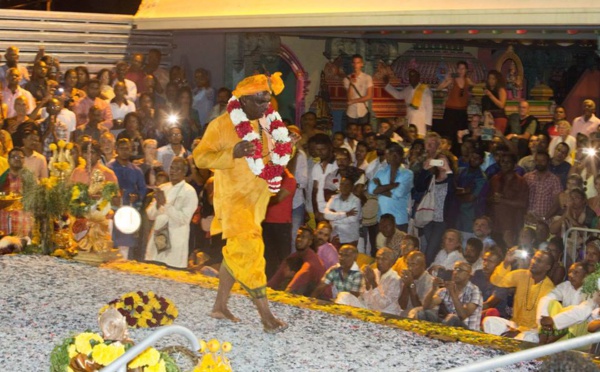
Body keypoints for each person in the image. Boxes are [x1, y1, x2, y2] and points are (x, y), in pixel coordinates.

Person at [193, 72, 289, 332]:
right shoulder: (221, 126)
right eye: (259, 101)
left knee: (236, 252)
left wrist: (287, 149)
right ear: (243, 101)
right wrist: (231, 153)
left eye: (267, 101)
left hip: (257, 201)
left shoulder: (266, 122)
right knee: (251, 252)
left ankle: (219, 305)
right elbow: (200, 158)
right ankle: (266, 316)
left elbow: (268, 160)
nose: (265, 107)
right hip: (234, 202)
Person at [482, 249, 555, 342]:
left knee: (526, 338)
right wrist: (506, 263)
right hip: (515, 325)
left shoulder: (549, 289)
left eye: (539, 261)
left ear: (547, 267)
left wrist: (519, 331)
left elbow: (541, 324)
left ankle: (505, 348)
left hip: (532, 331)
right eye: (534, 258)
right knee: (489, 321)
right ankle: (497, 349)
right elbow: (497, 281)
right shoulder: (522, 274)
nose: (534, 262)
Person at [145, 157, 198, 269]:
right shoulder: (163, 187)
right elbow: (150, 214)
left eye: (177, 169)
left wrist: (165, 204)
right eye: (172, 168)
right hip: (156, 242)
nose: (173, 171)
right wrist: (158, 205)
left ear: (184, 172)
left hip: (175, 244)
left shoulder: (189, 191)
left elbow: (184, 219)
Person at [412, 261, 482, 330]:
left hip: (468, 332)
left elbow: (463, 316)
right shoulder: (446, 289)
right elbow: (426, 306)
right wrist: (433, 289)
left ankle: (437, 336)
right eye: (455, 269)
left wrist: (452, 293)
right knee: (424, 313)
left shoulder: (474, 291)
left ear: (468, 275)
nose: (456, 272)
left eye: (460, 270)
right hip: (449, 327)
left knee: (453, 318)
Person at [108, 138, 147, 259]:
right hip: (111, 210)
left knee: (124, 247)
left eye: (128, 148)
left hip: (128, 212)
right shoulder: (109, 168)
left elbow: (142, 189)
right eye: (122, 148)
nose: (125, 151)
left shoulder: (136, 170)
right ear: (116, 150)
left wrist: (136, 197)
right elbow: (102, 187)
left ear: (131, 150)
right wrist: (112, 195)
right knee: (109, 242)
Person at [337, 247, 402, 315]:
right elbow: (364, 298)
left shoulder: (395, 279)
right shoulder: (373, 272)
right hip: (370, 308)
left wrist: (373, 283)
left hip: (386, 313)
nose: (379, 261)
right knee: (344, 295)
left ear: (392, 262)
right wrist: (367, 285)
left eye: (384, 259)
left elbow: (382, 304)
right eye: (378, 258)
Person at [537, 262, 589, 344]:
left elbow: (582, 313)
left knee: (574, 309)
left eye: (576, 272)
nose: (571, 275)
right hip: (559, 327)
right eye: (570, 272)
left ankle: (550, 338)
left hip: (581, 331)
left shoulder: (592, 290)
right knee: (552, 303)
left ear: (585, 276)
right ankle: (546, 333)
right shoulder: (566, 286)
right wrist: (544, 320)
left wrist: (553, 320)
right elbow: (546, 299)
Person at [268, 226, 327, 297]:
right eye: (298, 236)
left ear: (310, 242)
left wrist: (285, 295)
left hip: (322, 298)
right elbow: (276, 278)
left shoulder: (312, 260)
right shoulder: (294, 255)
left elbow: (300, 277)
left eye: (303, 237)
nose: (299, 239)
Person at [368, 142, 413, 232]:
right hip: (382, 218)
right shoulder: (381, 171)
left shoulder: (407, 174)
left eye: (389, 154)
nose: (386, 157)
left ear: (397, 155)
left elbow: (398, 193)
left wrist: (380, 188)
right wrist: (391, 186)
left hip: (399, 220)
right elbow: (371, 190)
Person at [488, 152, 529, 246]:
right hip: (494, 224)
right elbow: (487, 200)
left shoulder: (521, 181)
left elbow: (522, 203)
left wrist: (502, 200)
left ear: (514, 165)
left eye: (508, 162)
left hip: (511, 225)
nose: (505, 164)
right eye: (502, 161)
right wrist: (492, 199)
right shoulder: (494, 179)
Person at [263, 168, 296, 279]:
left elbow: (278, 199)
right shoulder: (271, 176)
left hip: (282, 224)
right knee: (268, 256)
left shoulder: (290, 179)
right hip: (267, 221)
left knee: (283, 258)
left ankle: (282, 283)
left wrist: (259, 200)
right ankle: (269, 282)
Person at [435, 61, 472, 155]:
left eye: (463, 68)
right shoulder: (452, 80)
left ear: (466, 70)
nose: (461, 71)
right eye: (459, 68)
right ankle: (448, 154)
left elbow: (476, 87)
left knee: (461, 135)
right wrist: (446, 79)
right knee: (450, 134)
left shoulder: (468, 81)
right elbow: (439, 88)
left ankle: (459, 154)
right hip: (451, 111)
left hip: (462, 112)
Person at [384, 69, 432, 136]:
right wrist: (387, 86)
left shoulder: (425, 89)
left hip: (420, 121)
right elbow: (398, 95)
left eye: (413, 76)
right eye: (410, 77)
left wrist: (428, 124)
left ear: (418, 78)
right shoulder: (407, 89)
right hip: (409, 119)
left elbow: (429, 108)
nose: (411, 78)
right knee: (408, 136)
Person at [0, 148, 33, 236]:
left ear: (24, 160)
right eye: (14, 157)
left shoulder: (30, 179)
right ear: (8, 160)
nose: (17, 159)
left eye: (20, 157)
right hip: (5, 219)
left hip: (23, 220)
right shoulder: (2, 179)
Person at [524, 152, 563, 220]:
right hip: (527, 219)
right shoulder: (527, 177)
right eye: (537, 160)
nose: (539, 163)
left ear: (548, 162)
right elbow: (521, 198)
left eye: (543, 161)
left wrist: (544, 218)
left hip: (545, 222)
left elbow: (557, 203)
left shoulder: (554, 180)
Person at [471, 250, 509, 319]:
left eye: (490, 262)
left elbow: (490, 304)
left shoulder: (503, 280)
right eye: (485, 260)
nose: (486, 264)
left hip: (494, 318)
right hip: (476, 312)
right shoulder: (478, 274)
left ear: (499, 265)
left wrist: (468, 309)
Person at [324, 176, 361, 247]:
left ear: (352, 187)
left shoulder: (356, 201)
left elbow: (353, 219)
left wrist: (334, 217)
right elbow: (326, 215)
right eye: (342, 184)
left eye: (347, 185)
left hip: (350, 238)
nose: (344, 187)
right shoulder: (333, 199)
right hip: (335, 237)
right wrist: (346, 214)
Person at [343, 54, 373, 127]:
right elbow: (349, 97)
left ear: (362, 64)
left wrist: (354, 101)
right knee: (351, 132)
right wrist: (351, 84)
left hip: (363, 110)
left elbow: (369, 96)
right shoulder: (346, 79)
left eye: (358, 63)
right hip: (351, 112)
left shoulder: (367, 78)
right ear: (352, 64)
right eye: (354, 63)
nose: (356, 65)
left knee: (363, 132)